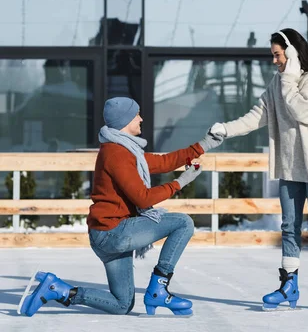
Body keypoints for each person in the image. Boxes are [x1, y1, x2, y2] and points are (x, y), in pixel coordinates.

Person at [211, 29, 308, 313]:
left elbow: (300, 110)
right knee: (289, 225)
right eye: (272, 56)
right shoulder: (277, 83)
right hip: (290, 164)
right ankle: (289, 285)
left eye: (277, 54)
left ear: (292, 52)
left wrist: (289, 77)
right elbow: (257, 115)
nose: (274, 61)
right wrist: (226, 129)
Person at [19, 97, 224, 317]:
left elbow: (163, 162)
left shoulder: (125, 150)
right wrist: (180, 183)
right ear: (125, 120)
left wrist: (204, 144)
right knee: (183, 223)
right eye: (137, 114)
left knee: (122, 304)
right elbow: (143, 198)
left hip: (107, 234)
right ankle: (158, 289)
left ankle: (59, 290)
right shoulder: (116, 154)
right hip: (113, 233)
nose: (141, 118)